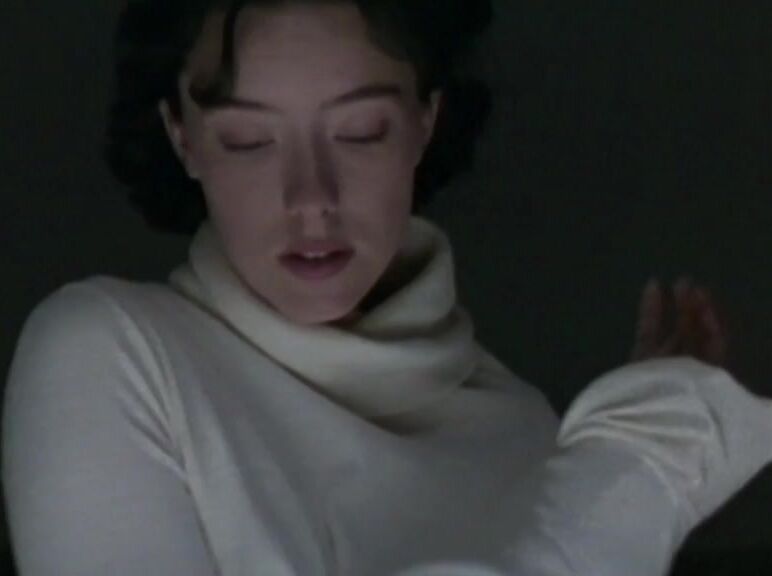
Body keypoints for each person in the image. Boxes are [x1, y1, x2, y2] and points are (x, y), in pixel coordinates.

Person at [2, 1, 771, 575]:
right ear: (183, 137)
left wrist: (625, 454)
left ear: (424, 122)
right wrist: (640, 468)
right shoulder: (112, 356)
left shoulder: (528, 430)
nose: (310, 197)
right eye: (248, 140)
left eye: (360, 131)